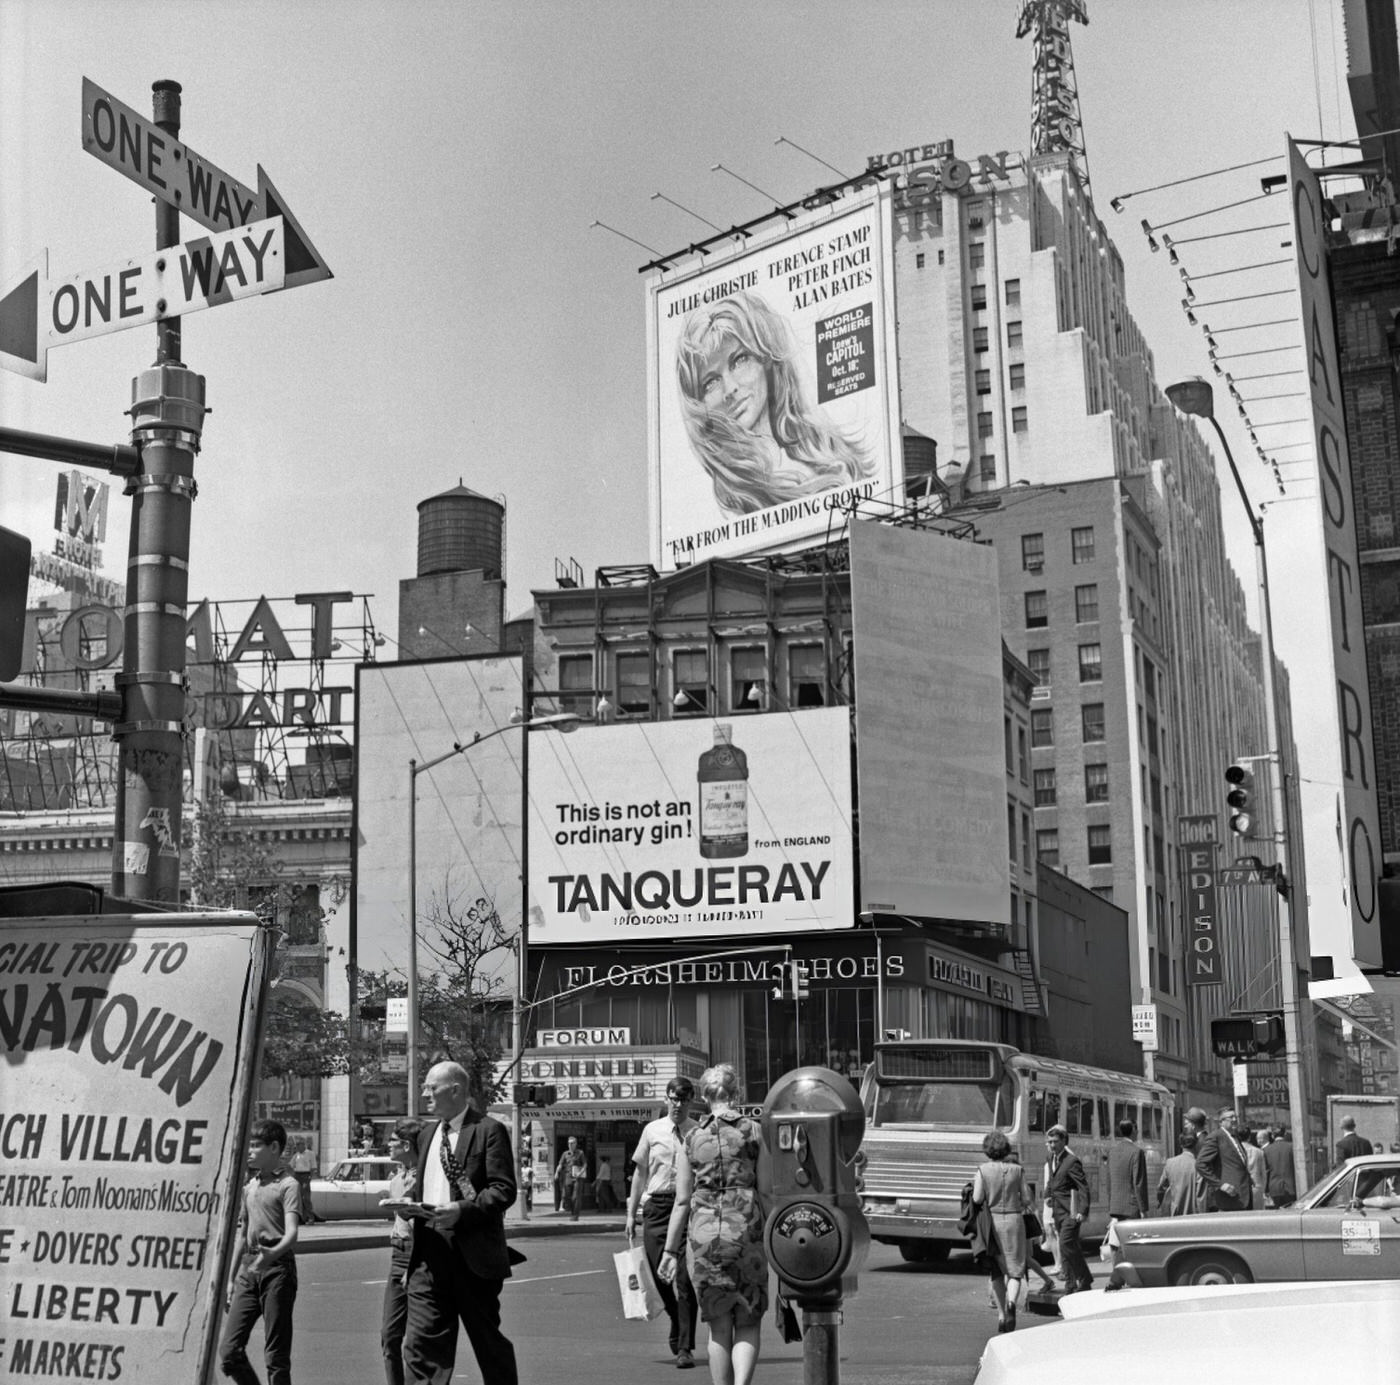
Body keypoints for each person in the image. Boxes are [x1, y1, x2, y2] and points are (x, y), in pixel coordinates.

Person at [674, 291, 875, 518]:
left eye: (740, 360)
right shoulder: (730, 501)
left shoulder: (817, 448)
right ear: (698, 404)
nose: (730, 389)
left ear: (767, 359)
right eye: (710, 383)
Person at [402, 1060, 518, 1385]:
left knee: (487, 1343)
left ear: (454, 1090)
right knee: (421, 1344)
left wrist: (462, 1210)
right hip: (429, 1255)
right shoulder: (426, 1134)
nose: (425, 1093)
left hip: (471, 1258)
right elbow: (426, 1187)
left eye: (431, 1087)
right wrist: (407, 1206)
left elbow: (503, 1189)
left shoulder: (487, 1130)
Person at [659, 1064, 767, 1385]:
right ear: (736, 1094)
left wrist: (668, 1251)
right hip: (747, 1232)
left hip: (704, 1239)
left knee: (718, 1328)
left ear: (704, 1097)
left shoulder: (691, 1138)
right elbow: (768, 1190)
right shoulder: (753, 1131)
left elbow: (681, 1201)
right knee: (747, 1322)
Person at [219, 1119, 301, 1385]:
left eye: (256, 1146)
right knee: (229, 1351)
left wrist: (272, 1254)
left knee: (276, 1356)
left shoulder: (288, 1185)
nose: (250, 1151)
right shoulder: (249, 1187)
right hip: (249, 1268)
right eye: (249, 1146)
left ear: (274, 1147)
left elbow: (291, 1234)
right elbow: (241, 1236)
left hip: (278, 1269)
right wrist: (231, 1280)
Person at [627, 1078, 700, 1370]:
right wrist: (631, 1214)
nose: (677, 1105)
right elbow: (640, 1174)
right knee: (660, 1276)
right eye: (672, 1098)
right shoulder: (652, 1130)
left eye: (683, 1099)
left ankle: (685, 1347)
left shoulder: (698, 1132)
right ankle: (674, 1317)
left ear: (691, 1100)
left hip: (688, 1209)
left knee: (684, 1278)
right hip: (656, 1208)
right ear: (666, 1099)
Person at [971, 1130, 1030, 1333]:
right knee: (1015, 1271)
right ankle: (1012, 1303)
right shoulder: (1017, 1170)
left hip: (992, 1222)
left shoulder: (982, 1170)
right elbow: (1027, 1199)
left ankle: (1002, 1315)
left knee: (996, 1270)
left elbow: (977, 1198)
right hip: (1014, 1220)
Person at [380, 1118, 423, 1385]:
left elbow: (424, 1225)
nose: (388, 1145)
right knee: (389, 1335)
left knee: (418, 1340)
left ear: (406, 1145)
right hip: (397, 1254)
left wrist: (412, 1266)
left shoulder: (428, 1178)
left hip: (418, 1256)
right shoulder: (397, 1179)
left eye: (393, 1141)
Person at [1043, 1124, 1093, 1294]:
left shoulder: (1072, 1161)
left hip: (1071, 1212)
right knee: (1067, 1247)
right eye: (1049, 1142)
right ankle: (1070, 1284)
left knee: (1065, 1244)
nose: (1052, 1145)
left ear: (1064, 1141)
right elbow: (1052, 1179)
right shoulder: (1052, 1158)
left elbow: (1083, 1187)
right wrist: (1047, 1195)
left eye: (1055, 1141)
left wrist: (1082, 1211)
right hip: (1057, 1210)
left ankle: (1084, 1278)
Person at [1104, 1119, 1149, 1262]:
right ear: (1134, 1130)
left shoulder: (1112, 1151)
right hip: (1132, 1206)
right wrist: (1143, 1209)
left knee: (1116, 1243)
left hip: (1116, 1205)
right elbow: (1139, 1182)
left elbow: (1109, 1180)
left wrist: (1111, 1205)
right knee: (1132, 1244)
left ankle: (1117, 1274)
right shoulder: (1137, 1152)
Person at [1195, 1106, 1253, 1211]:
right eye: (1230, 1117)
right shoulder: (1216, 1137)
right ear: (1221, 1122)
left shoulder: (1235, 1137)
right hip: (1229, 1197)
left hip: (1243, 1195)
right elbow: (1200, 1164)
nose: (1235, 1120)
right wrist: (1220, 1184)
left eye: (1236, 1116)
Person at [1156, 1132, 1200, 1216]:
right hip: (1195, 1215)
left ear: (1181, 1145)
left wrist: (1160, 1202)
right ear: (1196, 1145)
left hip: (1175, 1213)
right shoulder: (1199, 1165)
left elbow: (1161, 1188)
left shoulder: (1170, 1163)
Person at [1263, 1125, 1297, 1208]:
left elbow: (1265, 1171)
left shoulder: (1266, 1150)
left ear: (1272, 1135)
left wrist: (1265, 1190)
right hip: (1291, 1187)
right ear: (1285, 1134)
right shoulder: (1292, 1147)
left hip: (1274, 1188)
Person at [556, 1136, 588, 1221]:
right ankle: (572, 1212)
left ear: (576, 1144)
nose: (570, 1145)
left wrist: (580, 1173)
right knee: (567, 1196)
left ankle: (575, 1215)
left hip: (577, 1178)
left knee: (576, 1197)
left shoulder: (580, 1153)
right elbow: (560, 1164)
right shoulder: (565, 1154)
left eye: (572, 1143)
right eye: (569, 1143)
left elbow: (585, 1164)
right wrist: (557, 1172)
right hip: (568, 1177)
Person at [288, 1138, 319, 1225]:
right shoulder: (296, 1155)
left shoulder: (310, 1154)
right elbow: (290, 1165)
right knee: (298, 1197)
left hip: (306, 1175)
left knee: (306, 1198)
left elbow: (313, 1167)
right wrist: (292, 1174)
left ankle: (310, 1217)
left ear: (303, 1145)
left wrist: (309, 1177)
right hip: (297, 1175)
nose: (297, 1147)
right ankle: (302, 1218)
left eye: (299, 1145)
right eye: (296, 1145)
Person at [1241, 1127, 1267, 1209]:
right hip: (1256, 1187)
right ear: (1249, 1137)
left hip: (1241, 1188)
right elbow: (1263, 1173)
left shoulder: (1234, 1151)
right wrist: (1263, 1189)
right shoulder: (1259, 1152)